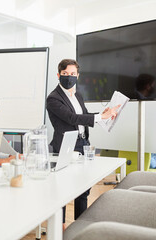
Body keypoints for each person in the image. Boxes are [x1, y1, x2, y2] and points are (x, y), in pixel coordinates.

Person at [46, 59, 119, 227]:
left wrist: (103, 114)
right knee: (63, 189)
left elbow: (84, 116)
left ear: (78, 75)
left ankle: (81, 225)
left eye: (73, 74)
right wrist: (101, 117)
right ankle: (61, 228)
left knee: (83, 188)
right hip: (65, 147)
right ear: (58, 75)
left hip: (83, 143)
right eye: (65, 74)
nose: (69, 77)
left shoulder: (77, 94)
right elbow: (72, 118)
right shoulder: (53, 98)